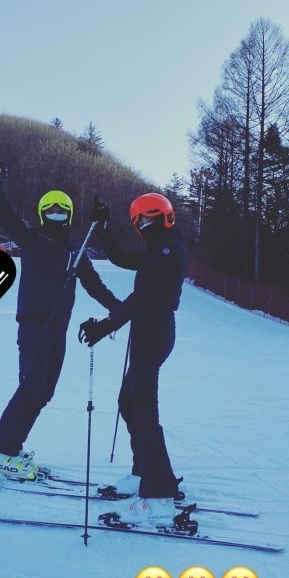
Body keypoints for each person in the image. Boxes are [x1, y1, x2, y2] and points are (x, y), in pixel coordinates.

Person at [0, 157, 120, 481]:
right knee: (31, 387)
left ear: (69, 215)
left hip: (58, 328)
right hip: (34, 323)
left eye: (62, 210)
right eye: (51, 209)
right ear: (42, 213)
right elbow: (6, 216)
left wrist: (120, 309)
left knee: (44, 392)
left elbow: (94, 285)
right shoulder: (32, 238)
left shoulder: (75, 251)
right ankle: (1, 452)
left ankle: (11, 447)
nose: (56, 214)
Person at [79, 193, 188, 528]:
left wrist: (104, 326)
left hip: (154, 334)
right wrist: (103, 227)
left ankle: (158, 495)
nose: (144, 225)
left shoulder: (169, 252)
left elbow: (141, 299)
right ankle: (146, 474)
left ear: (166, 217)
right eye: (140, 220)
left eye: (150, 218)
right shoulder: (158, 249)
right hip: (147, 333)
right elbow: (120, 257)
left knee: (144, 411)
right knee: (129, 403)